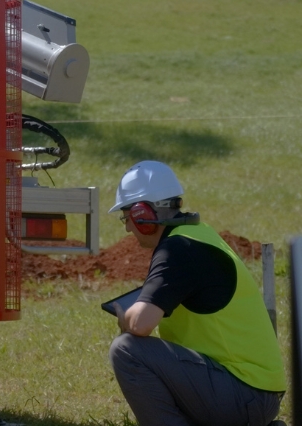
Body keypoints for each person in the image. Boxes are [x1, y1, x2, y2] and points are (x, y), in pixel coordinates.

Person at [107, 160, 287, 426]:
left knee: (126, 349)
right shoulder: (197, 236)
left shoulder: (177, 250)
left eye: (127, 218)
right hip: (252, 391)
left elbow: (141, 324)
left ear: (141, 215)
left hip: (244, 394)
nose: (127, 228)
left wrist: (126, 316)